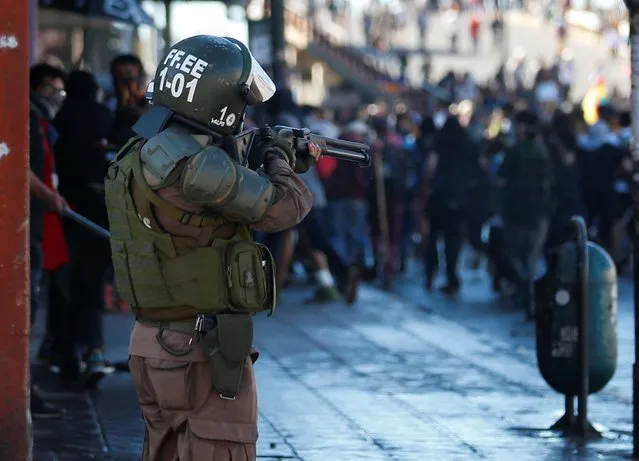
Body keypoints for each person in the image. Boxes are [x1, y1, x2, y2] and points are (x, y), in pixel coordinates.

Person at [104, 35, 318, 460]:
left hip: (152, 341)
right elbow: (287, 207)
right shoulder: (197, 166)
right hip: (198, 350)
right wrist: (278, 158)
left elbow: (200, 214)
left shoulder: (146, 147)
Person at [29, 63, 68, 419]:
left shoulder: (40, 120)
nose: (58, 98)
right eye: (56, 90)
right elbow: (15, 165)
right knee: (25, 311)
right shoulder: (25, 118)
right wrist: (47, 195)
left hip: (36, 224)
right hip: (25, 226)